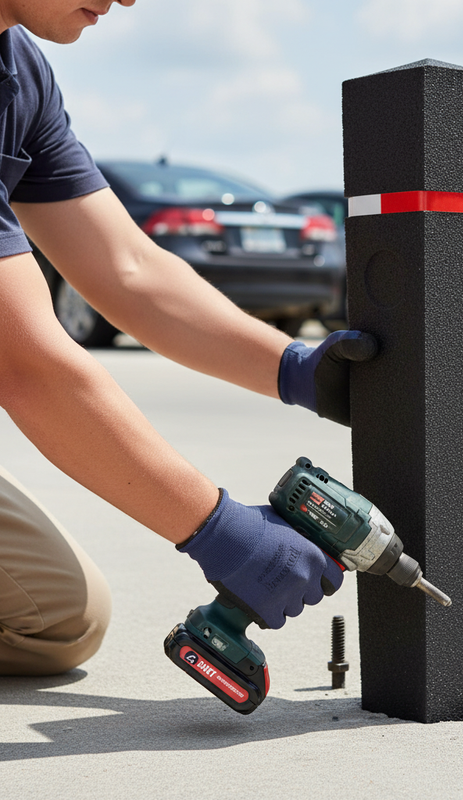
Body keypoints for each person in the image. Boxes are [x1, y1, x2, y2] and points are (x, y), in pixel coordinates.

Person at [0, 1, 376, 675]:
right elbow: (26, 364)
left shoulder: (20, 69)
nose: (128, 0)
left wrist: (295, 370)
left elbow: (128, 269)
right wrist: (219, 530)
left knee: (56, 617)